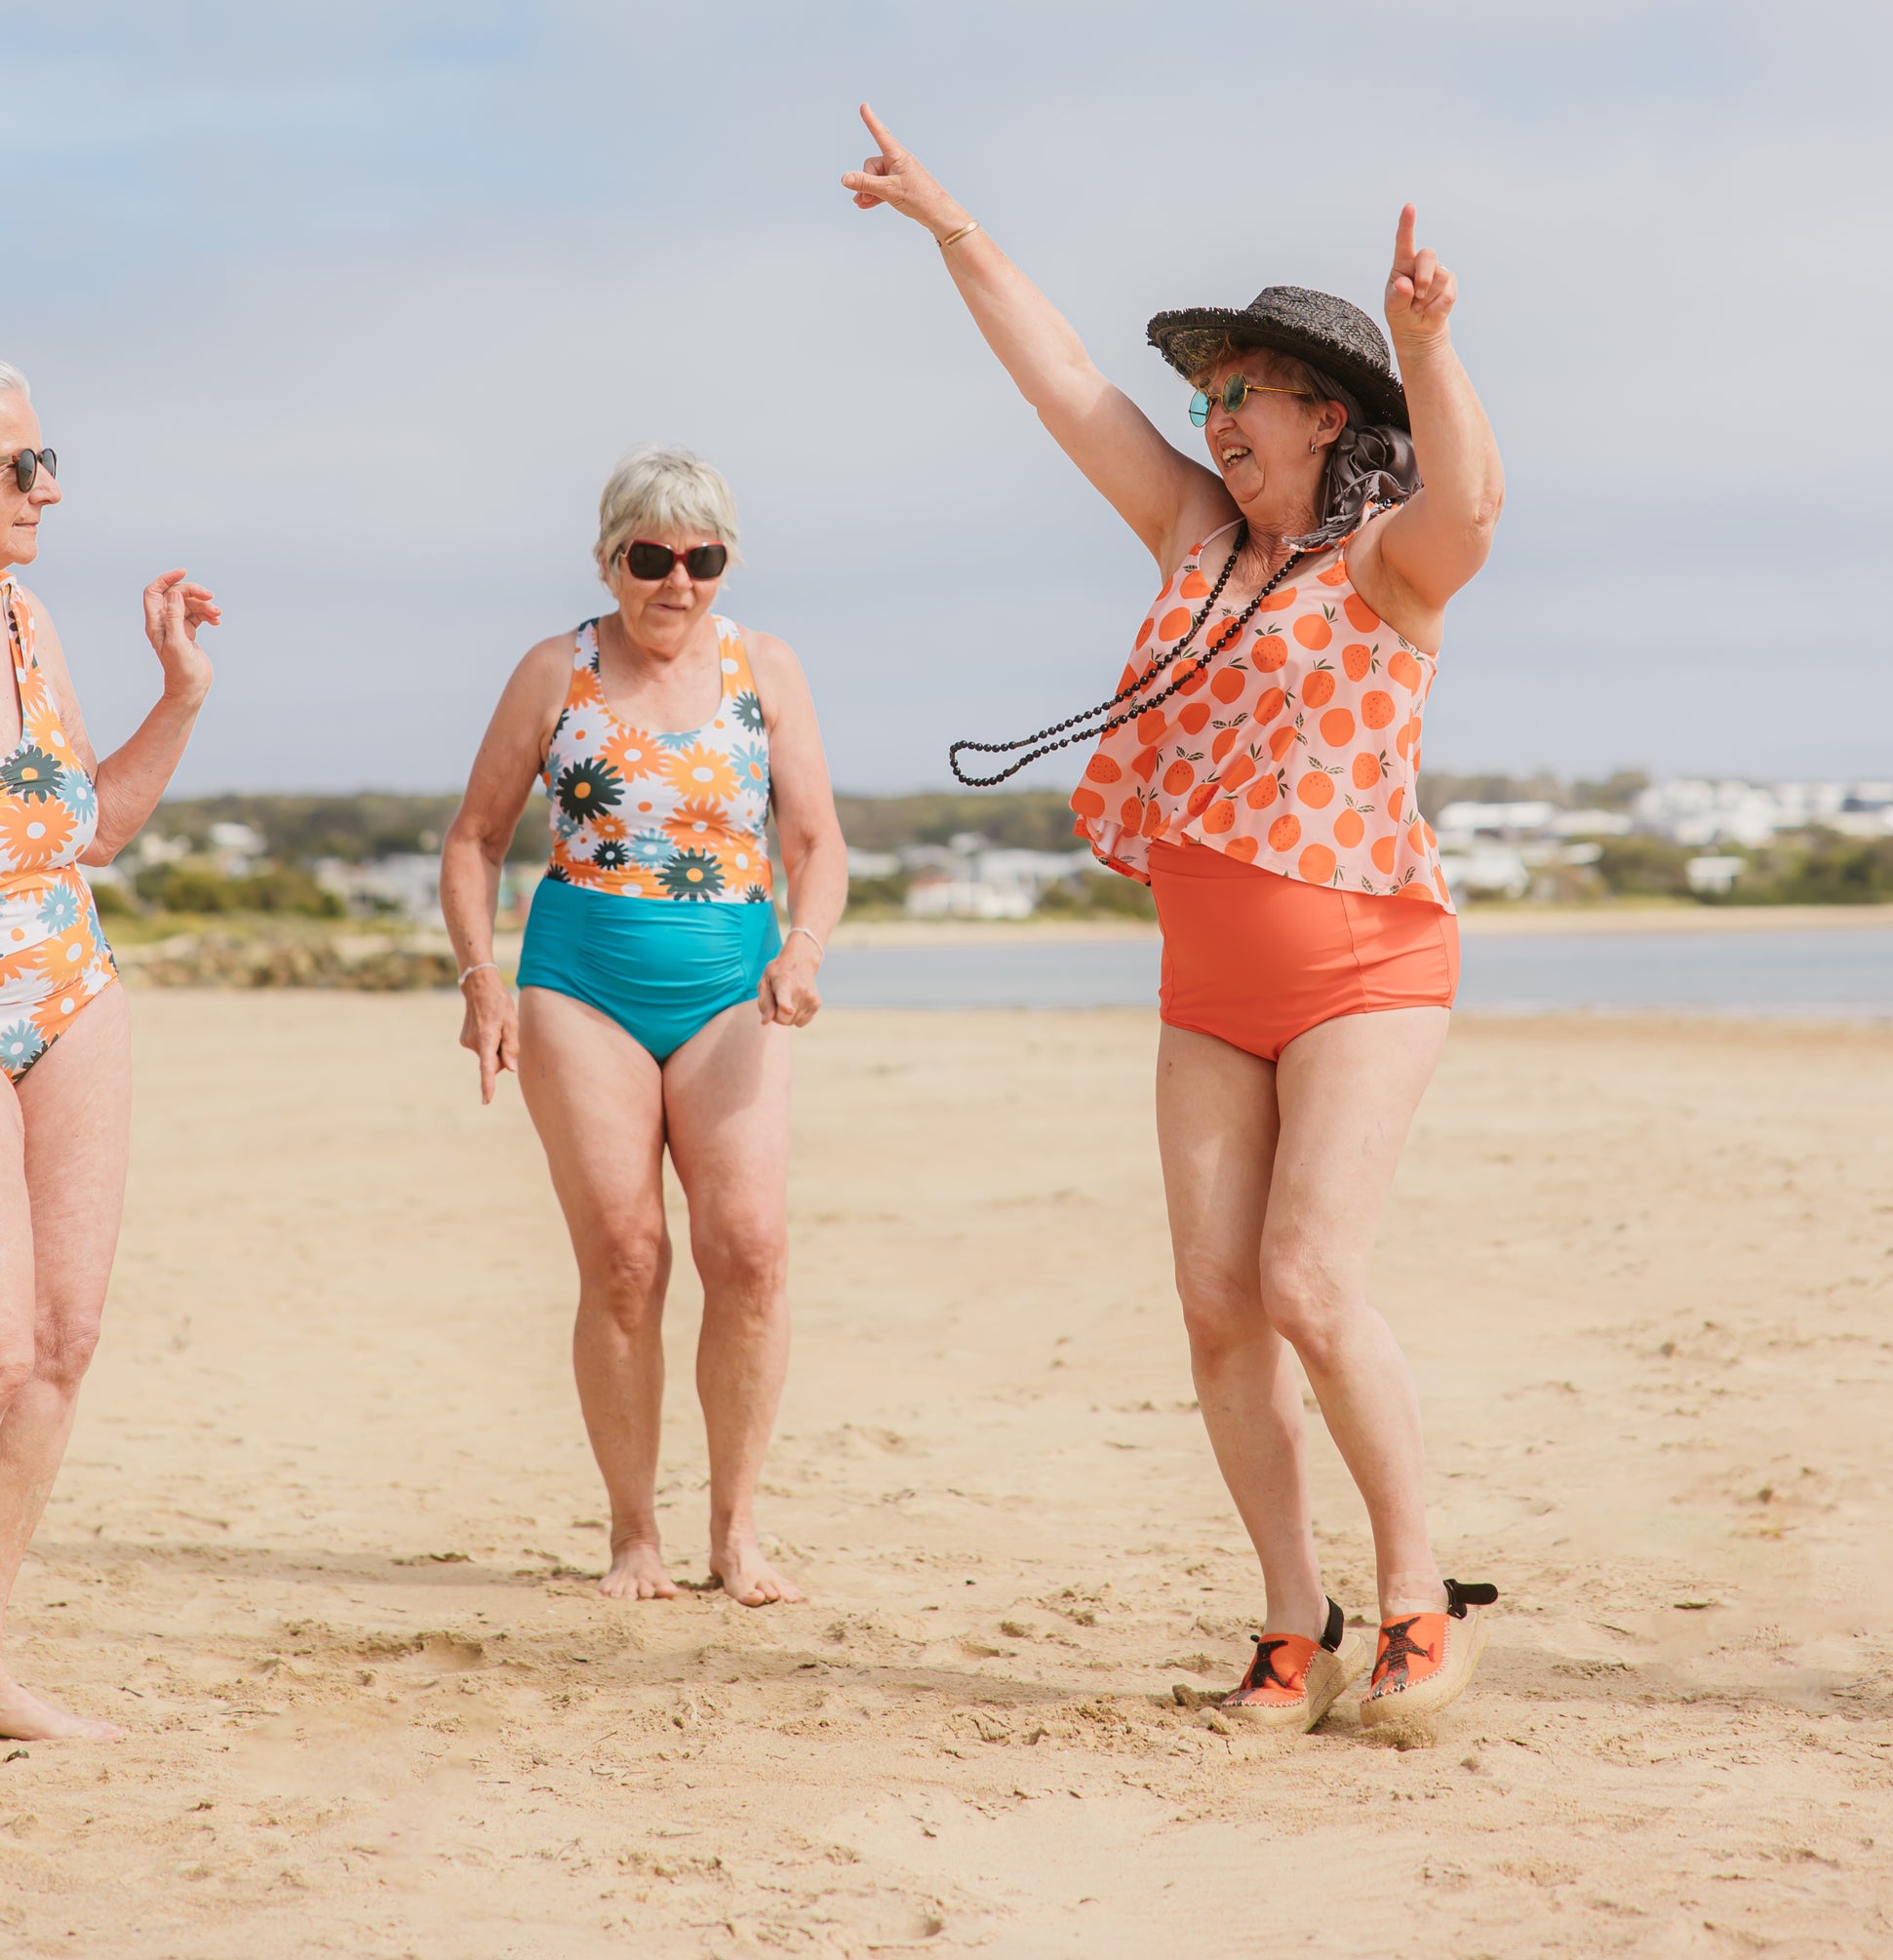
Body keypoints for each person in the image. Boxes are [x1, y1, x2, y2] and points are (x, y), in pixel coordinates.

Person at [842, 107, 1504, 1730]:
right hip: (1206, 992)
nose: (1213, 424)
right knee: (1217, 1312)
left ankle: (1421, 1594)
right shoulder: (1198, 543)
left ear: (1329, 416)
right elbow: (1070, 383)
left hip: (1366, 970)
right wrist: (954, 229)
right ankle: (1296, 1624)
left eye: (1244, 399)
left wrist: (1428, 347)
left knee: (1308, 1284)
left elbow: (1474, 510)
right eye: (1206, 400)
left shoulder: (1385, 567)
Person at [442, 445, 846, 1608]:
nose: (678, 583)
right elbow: (474, 837)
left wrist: (803, 953)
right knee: (625, 1259)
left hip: (733, 983)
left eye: (702, 558)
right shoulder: (551, 670)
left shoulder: (764, 667)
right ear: (610, 557)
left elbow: (816, 846)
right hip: (577, 983)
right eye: (652, 557)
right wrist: (480, 977)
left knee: (749, 1249)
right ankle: (634, 1537)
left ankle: (737, 1532)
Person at [0, 364, 220, 1741]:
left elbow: (94, 830)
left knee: (63, 1346)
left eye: (43, 458)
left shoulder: (24, 618)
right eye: (20, 466)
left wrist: (180, 697)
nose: (50, 489)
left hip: (67, 983)